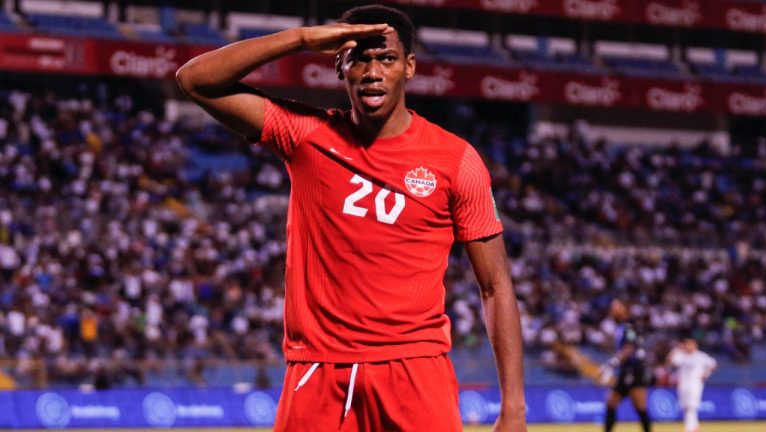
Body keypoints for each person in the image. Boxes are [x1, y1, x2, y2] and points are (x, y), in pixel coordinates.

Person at [176, 4, 527, 432]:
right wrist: (302, 38)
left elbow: (495, 286)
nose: (373, 71)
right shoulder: (305, 136)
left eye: (387, 58)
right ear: (339, 67)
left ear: (409, 67)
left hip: (415, 371)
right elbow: (196, 80)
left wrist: (514, 407)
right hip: (318, 370)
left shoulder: (456, 161)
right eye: (359, 57)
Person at [600, 299, 652, 432]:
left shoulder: (629, 326)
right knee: (611, 404)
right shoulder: (621, 327)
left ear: (624, 309)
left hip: (634, 370)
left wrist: (613, 362)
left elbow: (630, 348)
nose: (612, 310)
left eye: (615, 307)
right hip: (626, 370)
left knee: (640, 407)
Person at [667, 338, 717, 432]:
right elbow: (670, 361)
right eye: (686, 344)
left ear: (695, 345)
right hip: (683, 384)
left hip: (695, 384)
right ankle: (695, 427)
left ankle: (689, 429)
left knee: (692, 406)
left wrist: (706, 374)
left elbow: (713, 364)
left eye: (690, 344)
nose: (688, 346)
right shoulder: (681, 356)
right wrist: (677, 348)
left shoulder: (700, 356)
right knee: (686, 407)